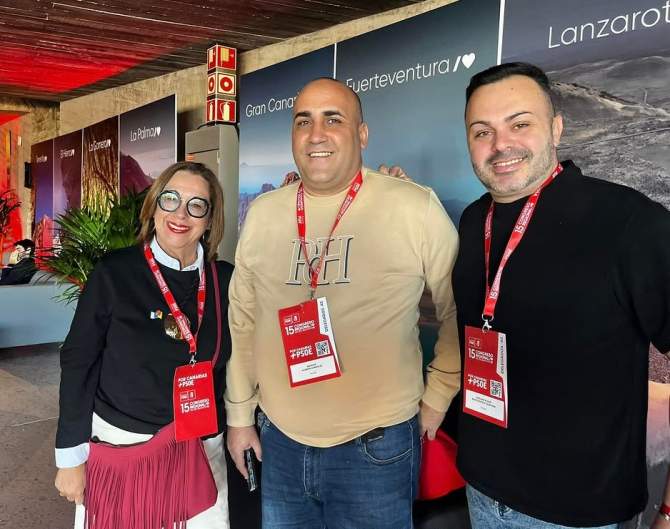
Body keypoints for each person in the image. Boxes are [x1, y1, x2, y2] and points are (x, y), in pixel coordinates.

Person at [225, 77, 461, 529]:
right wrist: (239, 415)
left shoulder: (413, 206)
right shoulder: (264, 213)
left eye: (333, 119)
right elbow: (244, 320)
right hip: (280, 441)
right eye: (303, 121)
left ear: (362, 134)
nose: (316, 134)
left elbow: (458, 308)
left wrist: (438, 396)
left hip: (376, 447)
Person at [452, 62, 670, 528]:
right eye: (482, 131)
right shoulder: (472, 222)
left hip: (575, 513)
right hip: (481, 490)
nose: (500, 145)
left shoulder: (628, 222)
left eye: (519, 124)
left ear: (555, 128)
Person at [54, 161, 234, 529]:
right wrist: (70, 457)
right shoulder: (115, 273)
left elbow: (242, 359)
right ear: (153, 207)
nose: (181, 214)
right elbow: (78, 362)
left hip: (201, 450)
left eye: (196, 205)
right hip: (125, 446)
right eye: (171, 199)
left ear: (209, 220)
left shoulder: (225, 280)